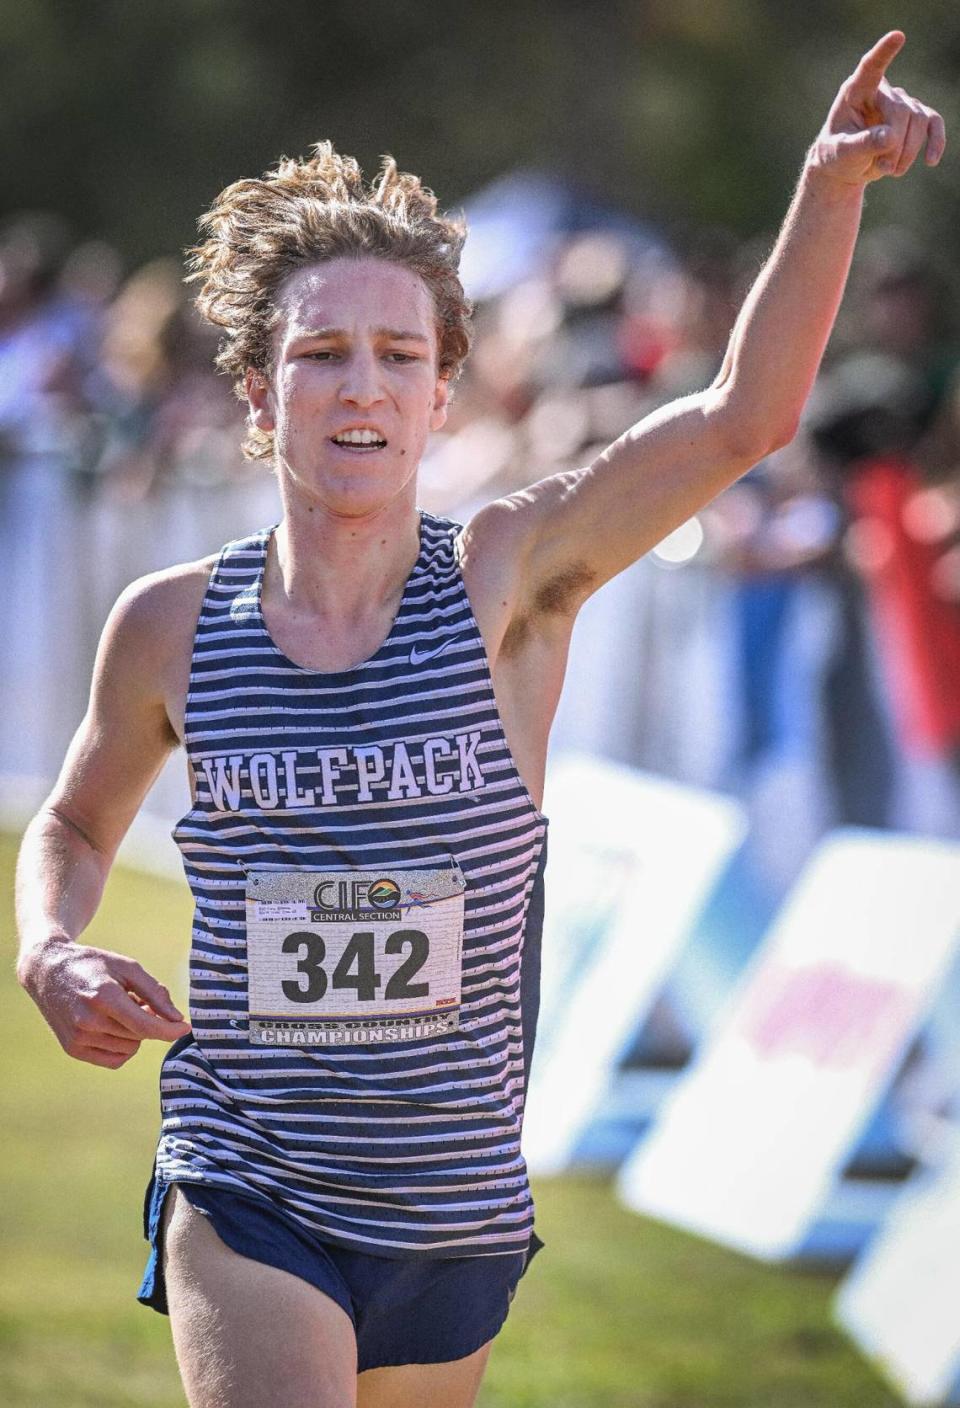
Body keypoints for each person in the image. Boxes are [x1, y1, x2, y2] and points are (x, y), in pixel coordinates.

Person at [14, 31, 944, 1408]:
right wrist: (50, 948)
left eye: (399, 354)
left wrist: (828, 188)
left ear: (443, 392)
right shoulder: (170, 625)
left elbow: (744, 419)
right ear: (262, 394)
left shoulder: (508, 577)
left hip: (455, 1206)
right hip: (249, 1174)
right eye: (322, 354)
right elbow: (76, 825)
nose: (364, 386)